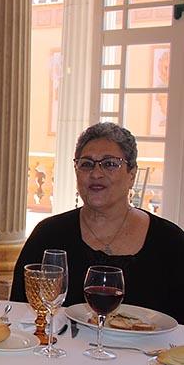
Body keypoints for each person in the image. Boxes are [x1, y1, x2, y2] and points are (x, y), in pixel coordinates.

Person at [11, 122, 184, 323]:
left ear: (132, 174)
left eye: (110, 164)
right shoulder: (48, 235)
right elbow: (19, 311)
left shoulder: (170, 242)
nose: (96, 174)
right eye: (86, 164)